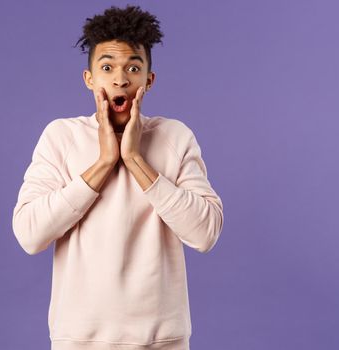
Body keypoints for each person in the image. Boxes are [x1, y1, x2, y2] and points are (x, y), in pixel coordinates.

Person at [12, 5, 224, 350]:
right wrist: (105, 162)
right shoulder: (61, 136)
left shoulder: (175, 136)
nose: (120, 79)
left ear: (149, 80)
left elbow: (205, 233)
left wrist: (135, 159)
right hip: (78, 340)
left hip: (162, 341)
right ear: (89, 78)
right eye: (107, 67)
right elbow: (29, 234)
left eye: (133, 68)